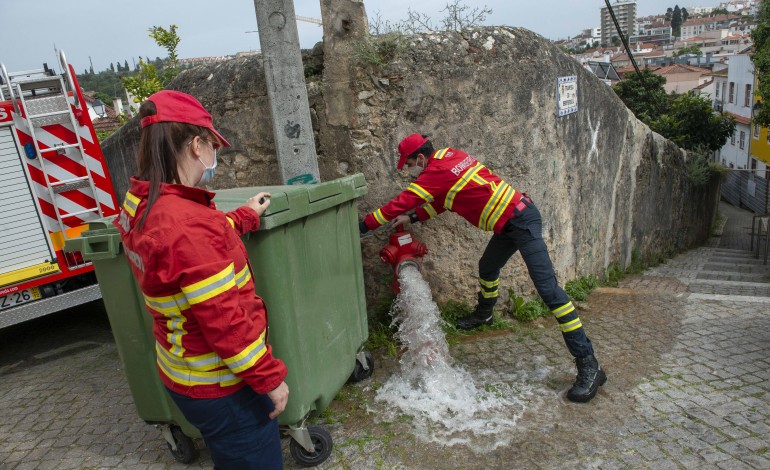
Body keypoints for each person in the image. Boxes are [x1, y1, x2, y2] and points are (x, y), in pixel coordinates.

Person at [359, 133, 606, 403]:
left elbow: (401, 201)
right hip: (508, 222)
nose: (409, 171)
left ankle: (588, 364)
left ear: (420, 157)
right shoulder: (452, 157)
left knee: (550, 292)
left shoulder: (436, 171)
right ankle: (485, 313)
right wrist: (415, 216)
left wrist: (364, 225)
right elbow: (445, 200)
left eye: (409, 165)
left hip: (522, 221)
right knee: (487, 266)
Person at [114, 90, 289, 468]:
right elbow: (225, 323)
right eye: (212, 145)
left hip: (181, 373)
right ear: (196, 145)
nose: (215, 156)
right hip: (223, 386)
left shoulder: (140, 204)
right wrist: (270, 379)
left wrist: (243, 216)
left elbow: (184, 255)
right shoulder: (189, 225)